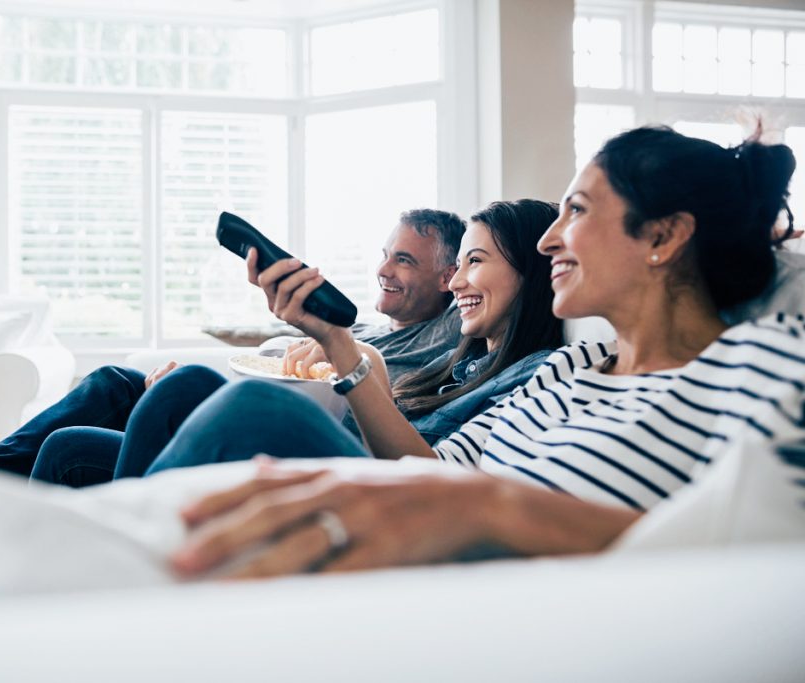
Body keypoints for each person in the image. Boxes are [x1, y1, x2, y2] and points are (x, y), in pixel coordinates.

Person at [158, 124, 803, 579]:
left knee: (256, 413)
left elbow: (764, 559)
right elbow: (431, 466)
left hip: (503, 602)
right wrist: (338, 344)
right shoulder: (569, 368)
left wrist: (498, 507)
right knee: (212, 401)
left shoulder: (762, 365)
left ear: (662, 234)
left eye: (575, 210)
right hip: (427, 556)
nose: (549, 239)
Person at [0, 209, 466, 555]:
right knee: (97, 405)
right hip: (269, 409)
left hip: (286, 441)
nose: (383, 269)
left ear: (449, 276)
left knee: (117, 393)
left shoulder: (447, 339)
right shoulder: (380, 332)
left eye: (404, 259)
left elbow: (352, 407)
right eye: (384, 253)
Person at [30, 199, 563, 486]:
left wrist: (343, 347)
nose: (457, 282)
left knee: (202, 390)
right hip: (350, 455)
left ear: (531, 274)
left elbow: (431, 473)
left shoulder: (534, 369)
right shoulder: (469, 362)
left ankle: (114, 590)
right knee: (69, 448)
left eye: (475, 262)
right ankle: (26, 595)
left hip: (371, 481)